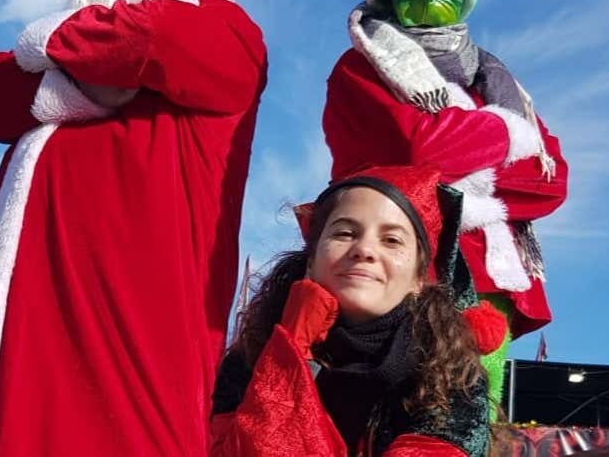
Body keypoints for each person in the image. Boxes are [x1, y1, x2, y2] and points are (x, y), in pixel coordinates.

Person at [0, 0, 267, 456]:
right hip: (28, 313)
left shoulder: (227, 28)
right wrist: (83, 80)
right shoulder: (95, 39)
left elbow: (153, 38)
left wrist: (47, 48)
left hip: (136, 317)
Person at [322, 0, 568, 415]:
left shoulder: (498, 81)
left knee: (471, 421)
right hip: (400, 277)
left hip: (491, 288)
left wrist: (458, 154)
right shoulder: (362, 69)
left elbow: (551, 180)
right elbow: (421, 148)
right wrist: (506, 130)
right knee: (391, 416)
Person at [211, 165, 500, 457]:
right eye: (345, 233)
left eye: (391, 240)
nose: (364, 249)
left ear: (418, 279)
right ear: (311, 261)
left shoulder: (451, 373)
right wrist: (292, 344)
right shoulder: (250, 355)